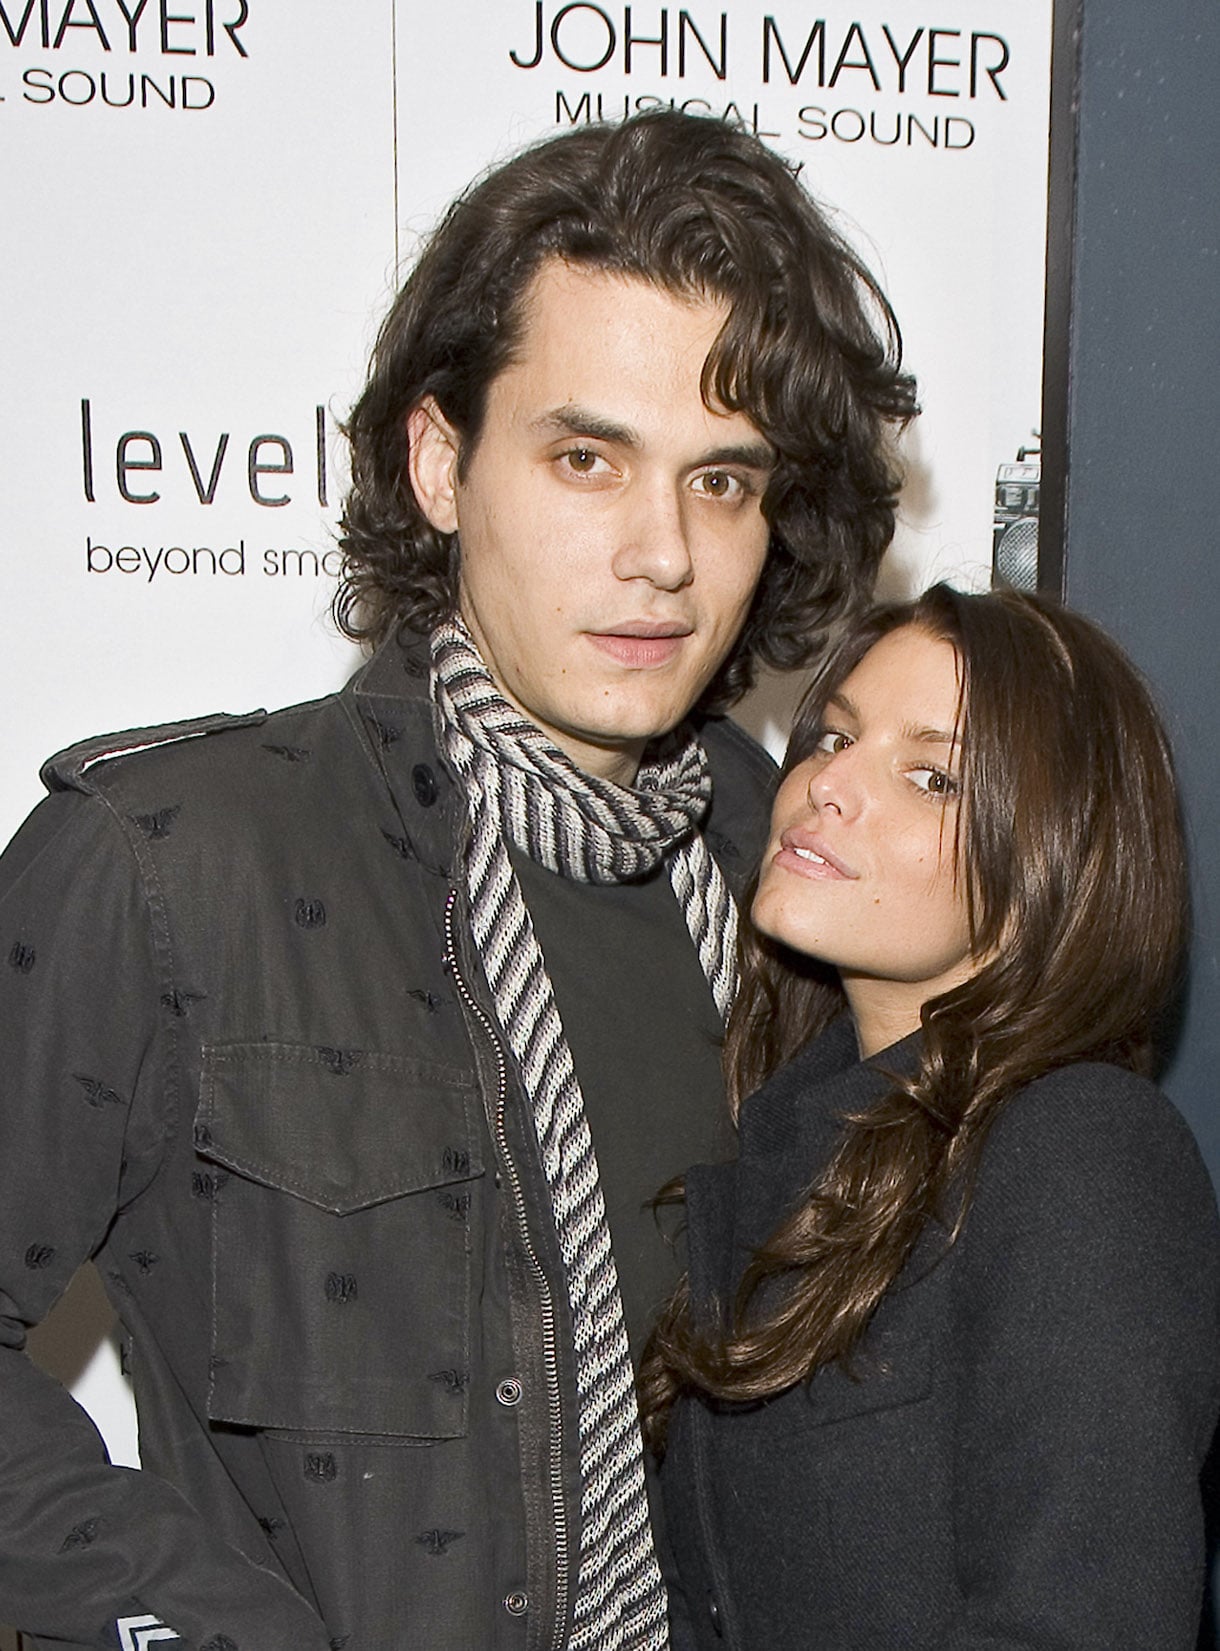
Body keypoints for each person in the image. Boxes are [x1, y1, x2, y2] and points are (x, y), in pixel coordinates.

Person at [0, 112, 916, 1651]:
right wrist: (202, 1624)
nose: (661, 554)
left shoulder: (797, 872)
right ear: (440, 462)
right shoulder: (173, 861)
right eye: (586, 458)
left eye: (721, 480)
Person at [643, 584, 1220, 1650]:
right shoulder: (780, 1146)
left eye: (930, 776)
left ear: (1050, 859)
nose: (827, 784)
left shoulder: (1079, 1149)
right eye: (834, 736)